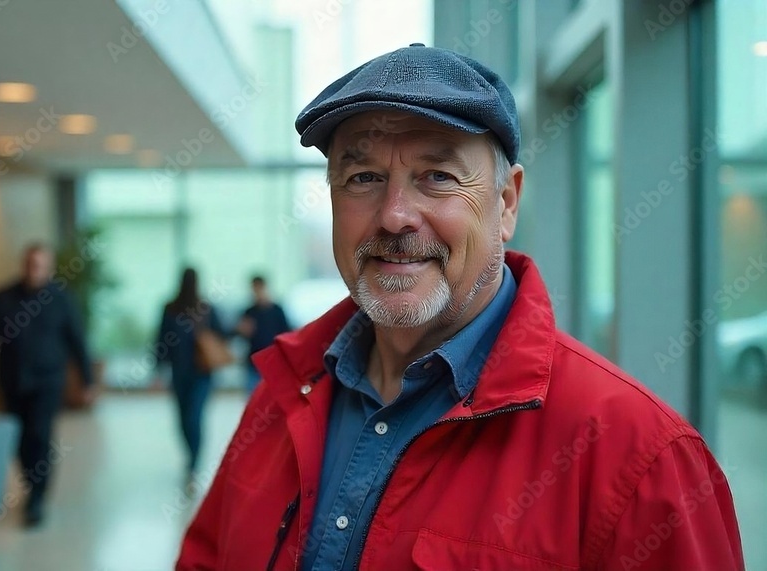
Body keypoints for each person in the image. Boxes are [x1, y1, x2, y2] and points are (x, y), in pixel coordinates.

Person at [177, 45, 744, 570]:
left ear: (506, 203)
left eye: (438, 177)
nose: (394, 215)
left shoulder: (638, 457)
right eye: (363, 177)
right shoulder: (281, 398)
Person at [0, 243, 95, 527]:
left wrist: (87, 380)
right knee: (20, 439)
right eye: (30, 264)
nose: (34, 270)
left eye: (40, 265)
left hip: (48, 381)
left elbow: (77, 341)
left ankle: (37, 498)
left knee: (40, 434)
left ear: (49, 268)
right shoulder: (3, 297)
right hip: (13, 380)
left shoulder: (62, 299)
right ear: (23, 265)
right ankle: (31, 482)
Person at [158, 267, 227, 486]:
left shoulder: (204, 308)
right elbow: (162, 339)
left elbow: (220, 334)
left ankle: (193, 464)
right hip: (181, 373)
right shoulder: (172, 308)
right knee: (183, 419)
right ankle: (191, 457)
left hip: (201, 373)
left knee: (193, 417)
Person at [234, 275, 291, 395]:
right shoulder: (249, 312)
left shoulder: (276, 311)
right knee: (253, 396)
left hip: (272, 362)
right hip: (253, 363)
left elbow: (287, 334)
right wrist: (241, 330)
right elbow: (238, 334)